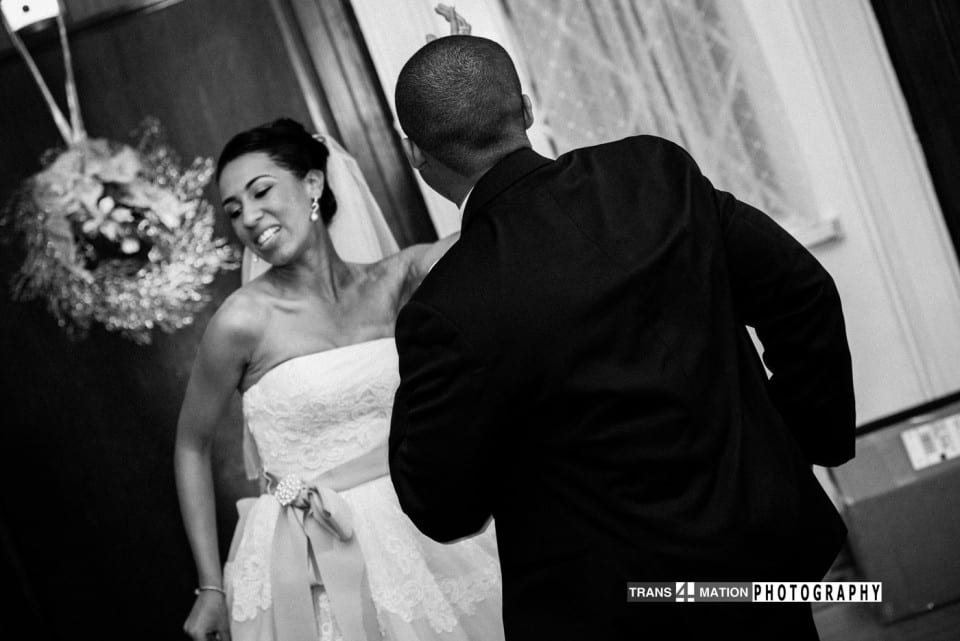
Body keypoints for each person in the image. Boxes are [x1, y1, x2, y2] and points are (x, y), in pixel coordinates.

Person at [388, 35, 856, 640]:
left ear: (416, 154)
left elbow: (442, 506)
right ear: (526, 109)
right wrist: (799, 444)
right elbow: (803, 293)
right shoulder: (654, 173)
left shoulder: (447, 305)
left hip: (614, 611)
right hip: (756, 557)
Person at [174, 118, 503, 641]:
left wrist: (456, 136)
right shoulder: (241, 322)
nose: (249, 218)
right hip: (306, 552)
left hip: (424, 527)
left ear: (312, 183)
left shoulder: (398, 280)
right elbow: (191, 446)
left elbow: (498, 223)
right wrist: (210, 587)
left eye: (261, 191)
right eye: (233, 210)